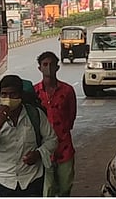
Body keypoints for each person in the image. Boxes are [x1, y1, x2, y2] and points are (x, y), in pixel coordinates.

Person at [0, 75, 58, 197]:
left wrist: (38, 154)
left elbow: (52, 140)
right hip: (6, 181)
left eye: (12, 94)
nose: (8, 99)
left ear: (20, 95)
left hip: (33, 178)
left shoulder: (35, 115)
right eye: (4, 94)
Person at [34, 51, 77, 197]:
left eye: (52, 64)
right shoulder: (35, 92)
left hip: (64, 147)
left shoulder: (67, 90)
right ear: (39, 68)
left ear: (57, 67)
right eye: (45, 64)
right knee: (48, 188)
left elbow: (71, 116)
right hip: (44, 148)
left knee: (65, 187)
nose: (48, 68)